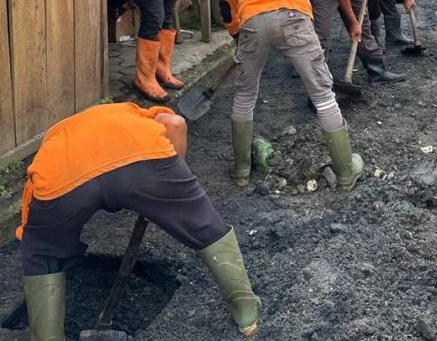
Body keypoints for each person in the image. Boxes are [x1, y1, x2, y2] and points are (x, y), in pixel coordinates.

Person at [16, 103, 261, 339]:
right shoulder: (137, 115)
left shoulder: (54, 143)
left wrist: (39, 245)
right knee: (203, 224)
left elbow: (31, 226)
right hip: (142, 161)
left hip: (62, 180)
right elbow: (175, 123)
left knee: (43, 254)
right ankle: (245, 308)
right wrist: (169, 191)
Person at [218, 0, 364, 190]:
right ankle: (345, 172)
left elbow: (227, 7)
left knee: (245, 96)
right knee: (322, 94)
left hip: (253, 21)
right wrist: (303, 17)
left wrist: (240, 38)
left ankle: (241, 171)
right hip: (294, 14)